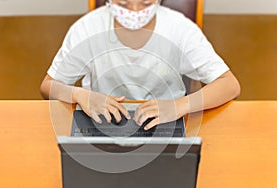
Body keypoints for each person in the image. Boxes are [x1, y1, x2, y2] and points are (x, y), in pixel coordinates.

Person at [40, 0, 241, 130]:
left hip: (166, 120)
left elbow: (229, 84)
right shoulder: (87, 28)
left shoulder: (180, 28)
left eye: (145, 3)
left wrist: (179, 106)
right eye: (124, 4)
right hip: (100, 121)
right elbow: (48, 86)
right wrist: (79, 95)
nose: (135, 11)